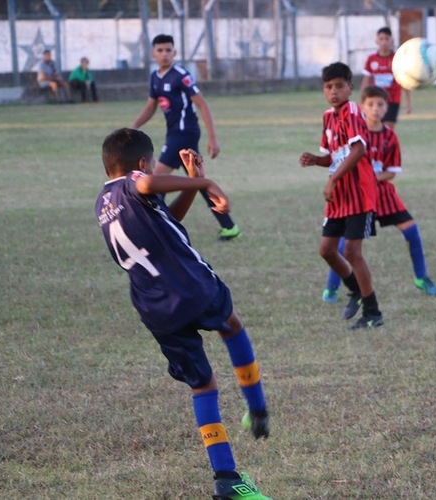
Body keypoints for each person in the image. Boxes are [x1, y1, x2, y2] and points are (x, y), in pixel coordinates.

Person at [95, 128, 270, 500]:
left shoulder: (103, 202)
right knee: (232, 326)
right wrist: (207, 181)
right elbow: (144, 186)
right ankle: (257, 408)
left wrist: (191, 184)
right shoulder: (135, 182)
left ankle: (226, 478)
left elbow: (166, 221)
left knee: (202, 385)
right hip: (191, 286)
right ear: (142, 163)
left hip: (154, 307)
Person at [322, 86, 436, 303]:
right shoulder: (354, 135)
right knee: (341, 246)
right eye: (371, 104)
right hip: (358, 196)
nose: (375, 109)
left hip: (384, 197)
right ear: (362, 107)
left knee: (412, 231)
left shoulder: (389, 137)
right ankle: (332, 288)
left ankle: (422, 278)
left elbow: (391, 172)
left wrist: (372, 177)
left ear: (387, 108)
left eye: (380, 104)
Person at [131, 34, 241, 241]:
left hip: (185, 133)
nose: (164, 54)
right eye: (160, 50)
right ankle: (229, 226)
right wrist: (134, 126)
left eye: (168, 50)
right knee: (196, 180)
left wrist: (213, 138)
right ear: (152, 53)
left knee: (157, 177)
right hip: (174, 133)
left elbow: (202, 104)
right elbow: (151, 106)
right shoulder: (155, 77)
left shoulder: (180, 75)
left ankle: (158, 226)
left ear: (175, 52)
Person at [299, 62, 384, 329]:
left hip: (358, 192)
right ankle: (356, 290)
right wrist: (317, 160)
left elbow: (358, 150)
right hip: (339, 195)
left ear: (350, 87)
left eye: (339, 86)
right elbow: (337, 155)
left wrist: (333, 179)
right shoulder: (328, 117)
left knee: (352, 251)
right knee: (327, 250)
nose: (333, 91)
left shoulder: (352, 112)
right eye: (328, 87)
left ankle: (373, 312)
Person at [361, 27, 411, 129]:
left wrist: (408, 102)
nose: (384, 42)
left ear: (392, 41)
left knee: (388, 127)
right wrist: (362, 100)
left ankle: (388, 145)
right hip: (375, 99)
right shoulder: (371, 59)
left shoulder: (397, 58)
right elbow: (366, 81)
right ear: (377, 41)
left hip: (392, 99)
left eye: (387, 39)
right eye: (381, 39)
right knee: (373, 126)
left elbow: (404, 80)